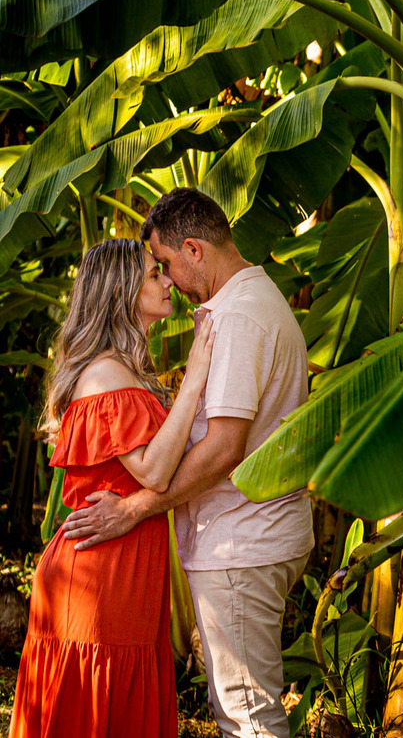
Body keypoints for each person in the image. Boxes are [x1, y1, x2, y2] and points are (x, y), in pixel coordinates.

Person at [62, 188, 315, 738]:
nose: (169, 279)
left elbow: (224, 448)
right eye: (157, 274)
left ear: (195, 250)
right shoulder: (246, 304)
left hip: (239, 542)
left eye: (168, 265)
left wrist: (134, 510)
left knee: (248, 719)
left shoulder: (239, 318)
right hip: (231, 540)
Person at [10, 238, 216, 738]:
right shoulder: (105, 372)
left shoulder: (124, 369)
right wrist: (196, 375)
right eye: (154, 274)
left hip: (119, 569)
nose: (168, 280)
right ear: (122, 292)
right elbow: (154, 472)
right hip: (101, 579)